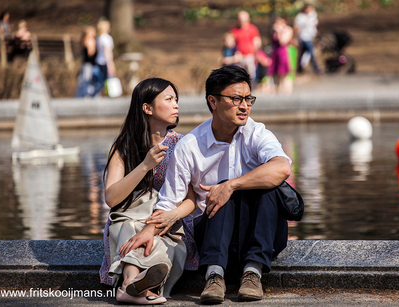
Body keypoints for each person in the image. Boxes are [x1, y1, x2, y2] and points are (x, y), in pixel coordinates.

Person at [122, 65, 291, 304]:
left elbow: (283, 167)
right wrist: (149, 230)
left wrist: (231, 185)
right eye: (235, 99)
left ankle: (253, 274)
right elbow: (169, 200)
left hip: (261, 239)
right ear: (213, 101)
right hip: (214, 240)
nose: (244, 106)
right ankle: (214, 277)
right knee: (222, 193)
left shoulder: (257, 134)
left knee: (265, 185)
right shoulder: (190, 146)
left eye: (248, 98)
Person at [99, 78, 198, 304]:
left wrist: (171, 215)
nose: (176, 105)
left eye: (176, 100)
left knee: (161, 239)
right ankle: (138, 285)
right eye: (169, 99)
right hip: (129, 219)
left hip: (169, 221)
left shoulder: (182, 144)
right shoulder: (124, 146)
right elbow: (112, 198)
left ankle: (131, 285)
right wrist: (145, 165)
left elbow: (191, 201)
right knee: (128, 223)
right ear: (147, 108)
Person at [230, 11, 261, 82]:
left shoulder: (252, 29)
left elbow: (257, 42)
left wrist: (255, 52)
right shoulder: (234, 30)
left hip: (250, 56)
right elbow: (231, 43)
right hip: (239, 57)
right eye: (240, 20)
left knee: (251, 76)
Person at [266, 17, 294, 94]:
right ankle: (277, 92)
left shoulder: (288, 30)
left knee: (284, 74)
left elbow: (282, 42)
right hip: (275, 53)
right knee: (276, 75)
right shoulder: (274, 32)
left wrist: (279, 32)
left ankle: (286, 93)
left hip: (284, 53)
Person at [294, 4, 321, 74]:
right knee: (311, 52)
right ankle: (316, 68)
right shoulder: (300, 17)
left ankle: (299, 68)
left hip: (311, 36)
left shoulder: (312, 15)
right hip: (304, 37)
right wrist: (295, 38)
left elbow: (315, 24)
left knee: (303, 52)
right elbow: (296, 27)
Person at [93, 19, 116, 96]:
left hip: (98, 61)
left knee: (100, 80)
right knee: (108, 79)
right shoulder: (107, 38)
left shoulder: (98, 38)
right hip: (105, 61)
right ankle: (111, 94)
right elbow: (107, 52)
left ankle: (96, 93)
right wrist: (110, 64)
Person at [75, 26, 97, 97]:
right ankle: (86, 95)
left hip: (85, 64)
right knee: (87, 80)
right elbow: (90, 53)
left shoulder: (84, 40)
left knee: (83, 80)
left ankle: (83, 95)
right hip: (89, 64)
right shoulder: (89, 40)